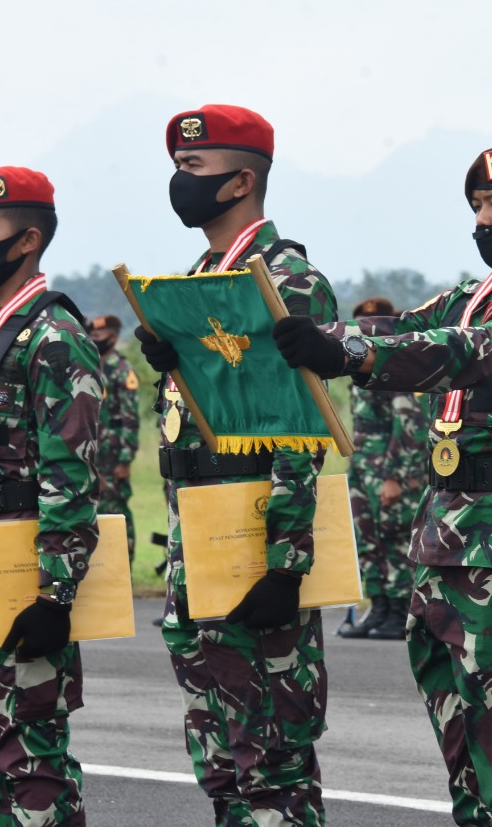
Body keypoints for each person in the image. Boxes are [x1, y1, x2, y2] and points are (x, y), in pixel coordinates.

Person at [274, 136, 492, 826]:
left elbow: (472, 351)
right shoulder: (471, 295)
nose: (484, 220)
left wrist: (352, 351)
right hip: (442, 544)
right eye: (478, 206)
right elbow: (393, 330)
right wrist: (278, 333)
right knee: (466, 767)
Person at [133, 104, 337, 824]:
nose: (179, 181)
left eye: (194, 168)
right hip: (201, 539)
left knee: (272, 758)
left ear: (241, 181)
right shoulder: (200, 276)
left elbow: (295, 434)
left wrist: (285, 564)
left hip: (255, 546)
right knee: (223, 759)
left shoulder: (286, 279)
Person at [0, 166, 102, 826]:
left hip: (21, 579)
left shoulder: (53, 337)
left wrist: (53, 595)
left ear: (26, 239)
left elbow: (72, 477)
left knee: (29, 755)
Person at [340, 296, 429, 641]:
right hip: (363, 461)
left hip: (389, 465)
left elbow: (409, 423)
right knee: (367, 535)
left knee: (393, 536)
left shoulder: (395, 366)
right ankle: (378, 606)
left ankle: (399, 609)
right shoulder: (358, 364)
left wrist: (394, 476)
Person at [87, 315, 139, 559]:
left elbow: (130, 417)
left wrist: (125, 461)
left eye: (99, 336)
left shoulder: (122, 370)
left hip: (114, 456)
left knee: (116, 511)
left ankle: (124, 559)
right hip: (93, 455)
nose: (95, 340)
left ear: (114, 337)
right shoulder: (91, 366)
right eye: (93, 336)